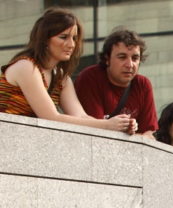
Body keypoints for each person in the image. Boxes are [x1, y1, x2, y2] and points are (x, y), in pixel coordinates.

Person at [0, 8, 134, 134]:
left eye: (74, 38)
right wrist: (106, 125)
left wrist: (119, 125)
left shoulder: (62, 77)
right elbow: (50, 117)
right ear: (45, 39)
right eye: (63, 37)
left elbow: (81, 116)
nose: (71, 44)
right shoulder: (26, 67)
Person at [73, 27, 156, 137]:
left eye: (135, 58)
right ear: (107, 59)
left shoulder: (143, 84)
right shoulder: (90, 78)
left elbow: (149, 135)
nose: (129, 65)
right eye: (122, 57)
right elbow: (93, 129)